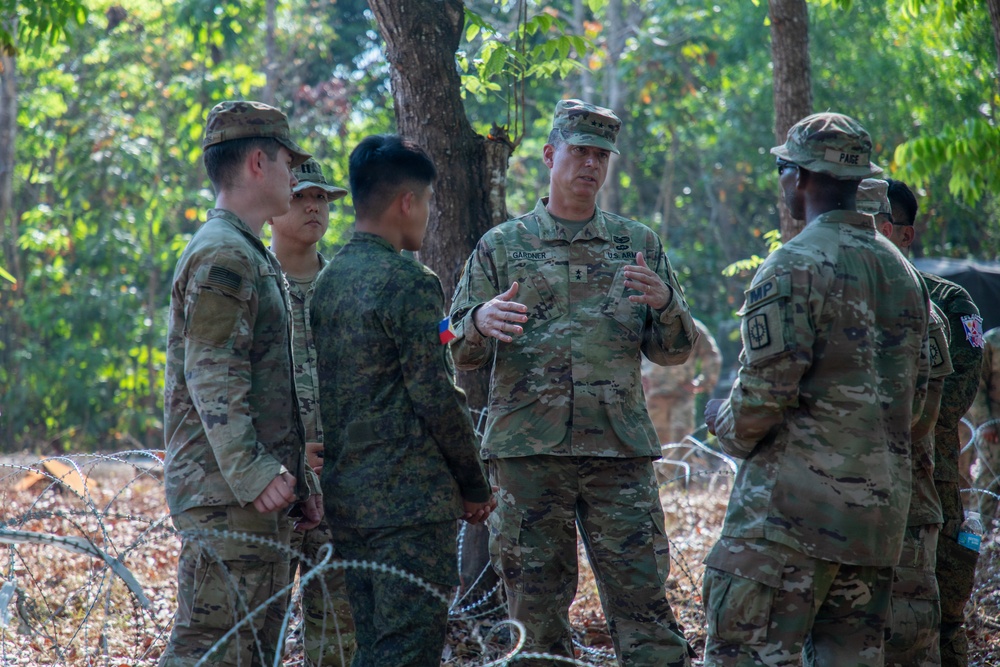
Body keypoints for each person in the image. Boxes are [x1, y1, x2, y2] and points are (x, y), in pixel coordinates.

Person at [449, 99, 696, 666]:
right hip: (529, 456)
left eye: (601, 155)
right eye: (580, 151)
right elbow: (456, 347)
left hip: (618, 453)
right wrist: (478, 320)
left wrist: (666, 304)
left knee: (644, 604)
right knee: (535, 616)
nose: (591, 164)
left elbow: (675, 352)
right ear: (549, 155)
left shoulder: (637, 244)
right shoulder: (500, 245)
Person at [703, 113, 930, 666]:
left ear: (800, 177)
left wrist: (721, 422)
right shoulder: (904, 274)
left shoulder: (793, 264)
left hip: (788, 520)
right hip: (872, 524)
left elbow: (762, 397)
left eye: (783, 168)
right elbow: (919, 400)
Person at [310, 134, 494, 667]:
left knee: (372, 649)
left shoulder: (329, 279)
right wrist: (474, 483)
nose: (430, 214)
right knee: (407, 652)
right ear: (407, 202)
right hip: (409, 508)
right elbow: (436, 394)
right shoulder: (410, 282)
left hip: (349, 500)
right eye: (429, 201)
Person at [160, 100, 323, 666]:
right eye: (287, 162)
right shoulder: (224, 255)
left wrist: (297, 481)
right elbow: (212, 375)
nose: (294, 176)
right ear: (258, 162)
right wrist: (254, 471)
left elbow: (266, 385)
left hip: (252, 498)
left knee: (249, 654)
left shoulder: (247, 251)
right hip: (227, 498)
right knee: (210, 652)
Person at [885, 177, 985, 667]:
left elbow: (955, 396)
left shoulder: (949, 302)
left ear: (906, 234)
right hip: (847, 487)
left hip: (929, 481)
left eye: (881, 222)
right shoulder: (838, 293)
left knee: (937, 620)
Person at [266, 158, 355, 666]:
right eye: (301, 196)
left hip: (340, 484)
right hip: (271, 484)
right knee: (259, 631)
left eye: (321, 198)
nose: (314, 207)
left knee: (337, 637)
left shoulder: (348, 283)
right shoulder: (251, 279)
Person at [860, 177, 953, 666]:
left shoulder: (923, 308)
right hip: (840, 512)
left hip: (905, 512)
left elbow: (921, 420)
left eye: (877, 223)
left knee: (907, 647)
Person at [641, 317, 722, 447]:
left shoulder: (692, 327)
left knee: (681, 442)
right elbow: (628, 352)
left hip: (681, 396)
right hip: (653, 396)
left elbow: (711, 355)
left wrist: (703, 383)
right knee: (653, 443)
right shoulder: (648, 325)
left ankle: (681, 461)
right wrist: (638, 377)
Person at [977, 326, 1000, 528]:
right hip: (995, 427)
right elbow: (978, 384)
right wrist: (985, 422)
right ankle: (980, 531)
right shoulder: (993, 341)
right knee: (989, 479)